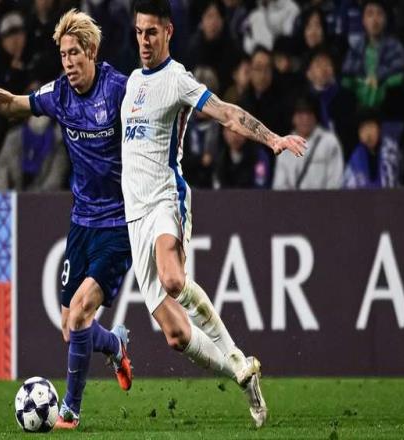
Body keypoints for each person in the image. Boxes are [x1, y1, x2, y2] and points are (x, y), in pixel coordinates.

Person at [121, 0, 306, 428]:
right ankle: (242, 373)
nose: (144, 41)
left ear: (168, 32)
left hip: (166, 199)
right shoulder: (131, 82)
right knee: (176, 336)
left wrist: (272, 139)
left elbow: (227, 113)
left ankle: (236, 356)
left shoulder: (177, 79)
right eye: (139, 32)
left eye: (152, 32)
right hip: (134, 215)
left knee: (173, 278)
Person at [0, 9, 133, 430]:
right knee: (72, 329)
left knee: (80, 312)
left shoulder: (120, 89)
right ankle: (116, 345)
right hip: (81, 222)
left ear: (91, 51)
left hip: (119, 222)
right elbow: (11, 104)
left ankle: (69, 410)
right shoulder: (60, 94)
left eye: (74, 53)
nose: (67, 62)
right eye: (63, 54)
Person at [273, 95, 344, 190]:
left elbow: (335, 183)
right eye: (301, 115)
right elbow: (279, 186)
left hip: (324, 198)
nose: (305, 119)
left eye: (309, 114)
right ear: (293, 118)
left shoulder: (329, 142)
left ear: (316, 117)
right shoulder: (284, 146)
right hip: (293, 199)